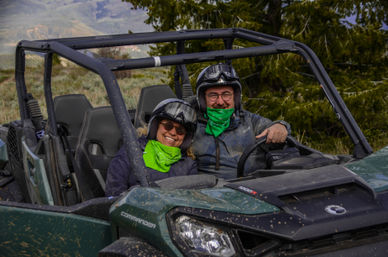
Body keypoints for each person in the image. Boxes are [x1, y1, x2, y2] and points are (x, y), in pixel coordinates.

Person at [192, 63, 291, 179]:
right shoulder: (192, 126)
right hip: (213, 192)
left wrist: (280, 125)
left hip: (257, 187)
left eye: (226, 94)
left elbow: (272, 127)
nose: (220, 101)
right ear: (203, 99)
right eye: (213, 95)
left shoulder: (249, 121)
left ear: (236, 97)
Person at [105, 98, 198, 196]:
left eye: (180, 130)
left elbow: (191, 198)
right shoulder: (132, 151)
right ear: (156, 126)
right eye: (168, 126)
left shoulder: (188, 165)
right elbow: (114, 191)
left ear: (186, 137)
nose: (173, 133)